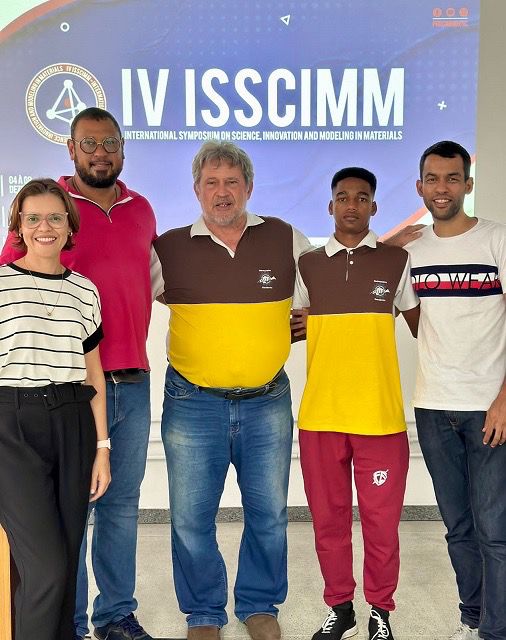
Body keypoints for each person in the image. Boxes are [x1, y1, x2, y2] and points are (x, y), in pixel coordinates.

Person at [0, 107, 158, 640]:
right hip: (43, 399)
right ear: (71, 149)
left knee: (119, 506)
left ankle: (115, 616)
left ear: (123, 148)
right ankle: (62, 622)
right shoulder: (49, 208)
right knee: (59, 535)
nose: (100, 152)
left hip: (125, 380)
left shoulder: (143, 211)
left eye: (110, 142)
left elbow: (156, 281)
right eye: (88, 143)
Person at [152, 140, 311, 640]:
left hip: (267, 402)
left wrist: (312, 319)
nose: (222, 192)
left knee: (269, 513)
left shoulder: (285, 237)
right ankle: (203, 612)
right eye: (211, 182)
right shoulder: (168, 248)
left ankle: (259, 604)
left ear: (249, 187)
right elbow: (129, 296)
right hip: (192, 403)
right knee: (190, 518)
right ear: (196, 189)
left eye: (232, 182)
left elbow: (327, 288)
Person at [293, 168, 419, 640]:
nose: (351, 205)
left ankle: (380, 612)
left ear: (374, 207)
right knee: (329, 523)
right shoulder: (307, 264)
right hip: (321, 416)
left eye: (361, 198)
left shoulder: (397, 261)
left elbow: (424, 328)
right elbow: (291, 327)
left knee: (381, 526)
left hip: (380, 418)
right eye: (343, 197)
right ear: (330, 206)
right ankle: (340, 607)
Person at [0, 178, 110, 640]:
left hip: (72, 422)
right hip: (11, 427)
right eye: (33, 218)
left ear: (69, 225)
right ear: (19, 226)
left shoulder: (85, 291)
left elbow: (94, 375)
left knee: (65, 560)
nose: (44, 226)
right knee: (43, 567)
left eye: (54, 217)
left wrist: (102, 448)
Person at [406, 141, 506, 640]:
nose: (441, 188)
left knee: (494, 530)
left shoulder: (496, 240)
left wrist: (503, 401)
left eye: (451, 178)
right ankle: (473, 618)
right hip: (432, 408)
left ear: (468, 183)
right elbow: (417, 322)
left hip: (489, 408)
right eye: (432, 179)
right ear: (419, 186)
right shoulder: (412, 252)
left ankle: (496, 629)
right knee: (458, 527)